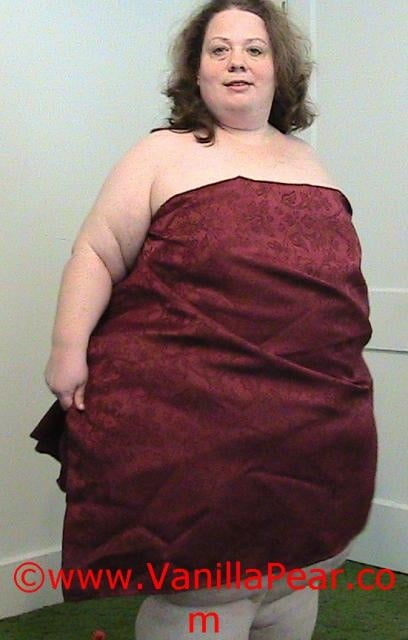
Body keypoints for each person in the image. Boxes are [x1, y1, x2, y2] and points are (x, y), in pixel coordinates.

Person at [31, 1, 377, 639]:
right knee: (206, 585)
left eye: (254, 49)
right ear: (197, 70)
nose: (237, 61)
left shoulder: (308, 161)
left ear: (280, 69)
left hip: (313, 413)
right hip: (194, 415)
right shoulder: (161, 152)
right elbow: (98, 252)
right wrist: (67, 347)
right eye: (220, 50)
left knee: (294, 570)